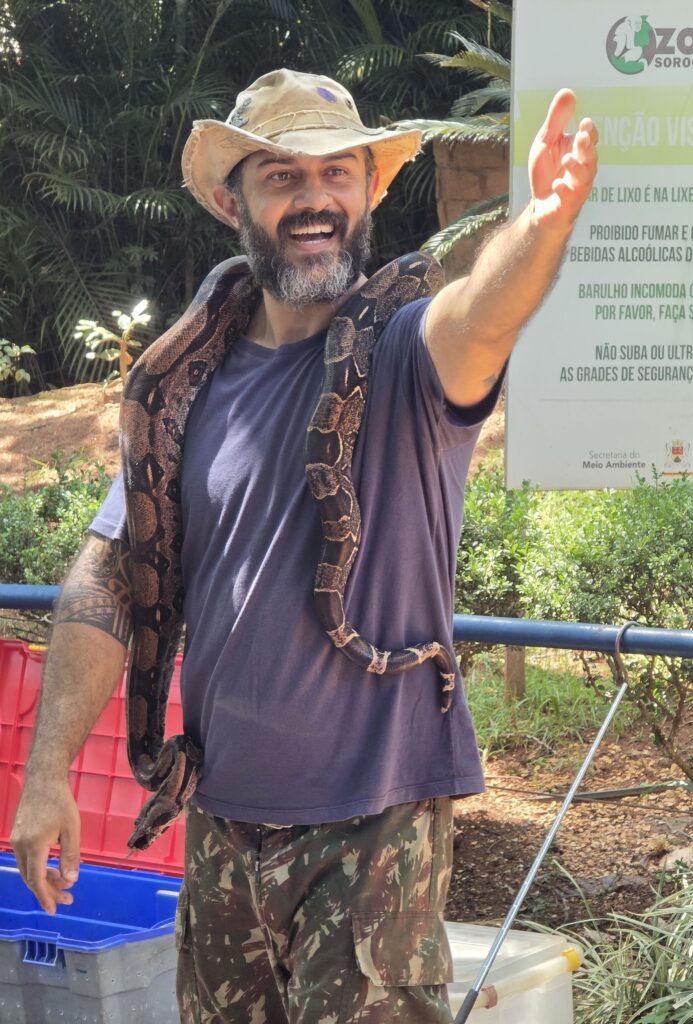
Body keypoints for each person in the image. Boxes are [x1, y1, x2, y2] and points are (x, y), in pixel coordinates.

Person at [11, 69, 597, 1023]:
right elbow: (111, 572)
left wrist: (541, 224)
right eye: (281, 175)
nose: (313, 198)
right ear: (230, 201)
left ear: (371, 189)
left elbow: (481, 314)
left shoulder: (406, 352)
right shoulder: (182, 389)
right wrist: (47, 777)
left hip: (373, 827)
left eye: (336, 173)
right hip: (220, 826)